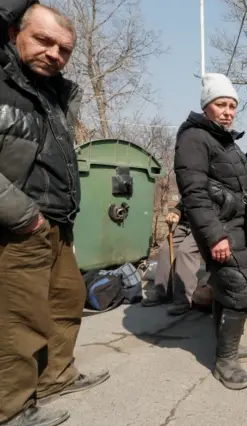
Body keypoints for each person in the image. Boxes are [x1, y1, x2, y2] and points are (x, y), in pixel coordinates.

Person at [0, 4, 111, 425]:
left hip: (57, 221)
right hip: (18, 224)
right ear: (14, 33)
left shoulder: (52, 92)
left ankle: (56, 377)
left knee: (66, 300)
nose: (54, 54)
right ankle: (11, 408)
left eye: (64, 49)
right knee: (17, 319)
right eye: (44, 41)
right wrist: (24, 216)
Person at [174, 73, 247, 391]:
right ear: (206, 106)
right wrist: (215, 236)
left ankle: (230, 346)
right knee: (242, 286)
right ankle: (225, 360)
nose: (228, 111)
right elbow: (194, 192)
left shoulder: (222, 138)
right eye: (220, 104)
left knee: (227, 287)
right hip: (221, 228)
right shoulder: (195, 138)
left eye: (232, 106)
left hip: (234, 225)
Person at [142, 202, 202, 316]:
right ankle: (162, 292)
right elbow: (185, 201)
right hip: (185, 224)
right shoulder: (191, 185)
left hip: (204, 225)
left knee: (185, 252)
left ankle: (184, 299)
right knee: (166, 249)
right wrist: (176, 212)